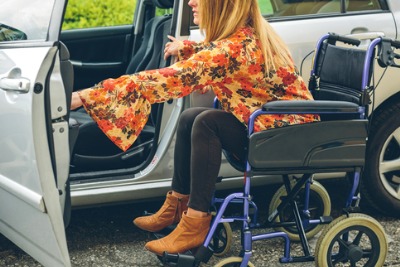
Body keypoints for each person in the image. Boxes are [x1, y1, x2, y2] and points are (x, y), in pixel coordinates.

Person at [70, 0, 319, 256]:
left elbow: (167, 78)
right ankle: (178, 205)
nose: (190, 2)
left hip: (286, 137)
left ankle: (197, 222)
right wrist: (188, 47)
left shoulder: (234, 49)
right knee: (191, 116)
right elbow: (214, 53)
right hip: (271, 126)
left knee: (207, 122)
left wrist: (88, 96)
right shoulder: (243, 36)